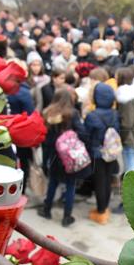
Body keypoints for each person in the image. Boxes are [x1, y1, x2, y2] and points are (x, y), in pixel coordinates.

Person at [38, 87, 87, 227]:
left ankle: (47, 210)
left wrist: (45, 159)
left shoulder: (48, 112)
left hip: (53, 154)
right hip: (69, 155)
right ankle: (66, 217)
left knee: (53, 182)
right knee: (70, 185)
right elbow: (82, 132)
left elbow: (45, 137)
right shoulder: (72, 113)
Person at [84, 83, 121, 224]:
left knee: (99, 182)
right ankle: (105, 208)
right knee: (107, 180)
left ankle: (100, 212)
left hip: (97, 153)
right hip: (111, 152)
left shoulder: (92, 116)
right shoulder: (115, 114)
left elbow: (87, 136)